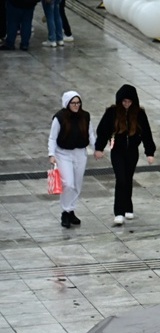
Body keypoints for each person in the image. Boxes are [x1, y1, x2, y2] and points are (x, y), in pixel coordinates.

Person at [94, 84, 156, 226]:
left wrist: (149, 152)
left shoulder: (139, 114)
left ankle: (128, 206)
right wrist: (99, 148)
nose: (126, 104)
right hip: (117, 151)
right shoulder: (112, 113)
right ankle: (119, 212)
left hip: (132, 151)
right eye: (124, 101)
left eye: (129, 101)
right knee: (120, 179)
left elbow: (147, 133)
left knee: (128, 178)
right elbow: (103, 131)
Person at [48, 90, 96, 229]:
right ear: (67, 104)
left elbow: (90, 134)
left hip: (80, 153)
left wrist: (96, 149)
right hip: (63, 154)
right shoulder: (59, 118)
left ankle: (71, 210)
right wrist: (52, 154)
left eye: (78, 103)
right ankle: (65, 211)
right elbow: (53, 137)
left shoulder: (85, 116)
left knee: (77, 184)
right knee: (68, 183)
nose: (76, 105)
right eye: (73, 103)